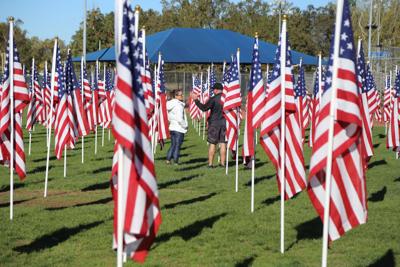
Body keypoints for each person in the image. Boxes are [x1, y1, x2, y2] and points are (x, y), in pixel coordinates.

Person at [191, 82, 226, 168]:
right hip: (224, 123)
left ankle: (210, 164)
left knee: (212, 143)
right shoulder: (227, 98)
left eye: (213, 89)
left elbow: (204, 108)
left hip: (214, 123)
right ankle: (222, 163)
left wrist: (196, 100)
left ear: (217, 90)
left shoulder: (213, 99)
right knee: (223, 143)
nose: (213, 91)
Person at [166, 89, 188, 165]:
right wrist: (185, 126)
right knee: (177, 146)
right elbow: (180, 118)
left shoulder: (169, 104)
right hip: (179, 128)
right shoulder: (179, 105)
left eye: (182, 94)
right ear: (176, 96)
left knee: (173, 144)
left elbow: (169, 117)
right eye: (180, 95)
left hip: (172, 127)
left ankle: (168, 160)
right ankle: (176, 161)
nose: (182, 96)